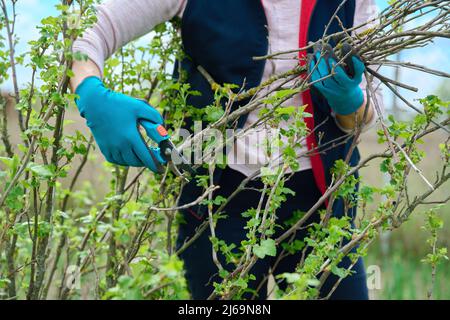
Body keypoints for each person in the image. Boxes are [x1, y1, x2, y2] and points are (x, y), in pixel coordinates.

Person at [71, 0, 383, 300]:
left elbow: (367, 114)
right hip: (217, 196)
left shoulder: (354, 2)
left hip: (321, 200)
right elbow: (89, 32)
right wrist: (91, 94)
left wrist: (348, 100)